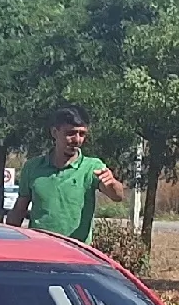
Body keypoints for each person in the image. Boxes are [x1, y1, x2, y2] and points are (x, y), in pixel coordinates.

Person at [7, 104, 127, 243]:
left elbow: (117, 196)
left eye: (82, 134)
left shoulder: (92, 167)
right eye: (70, 133)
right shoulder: (33, 168)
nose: (77, 140)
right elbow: (19, 211)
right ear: (54, 132)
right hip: (40, 251)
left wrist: (112, 183)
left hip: (76, 254)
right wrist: (6, 241)